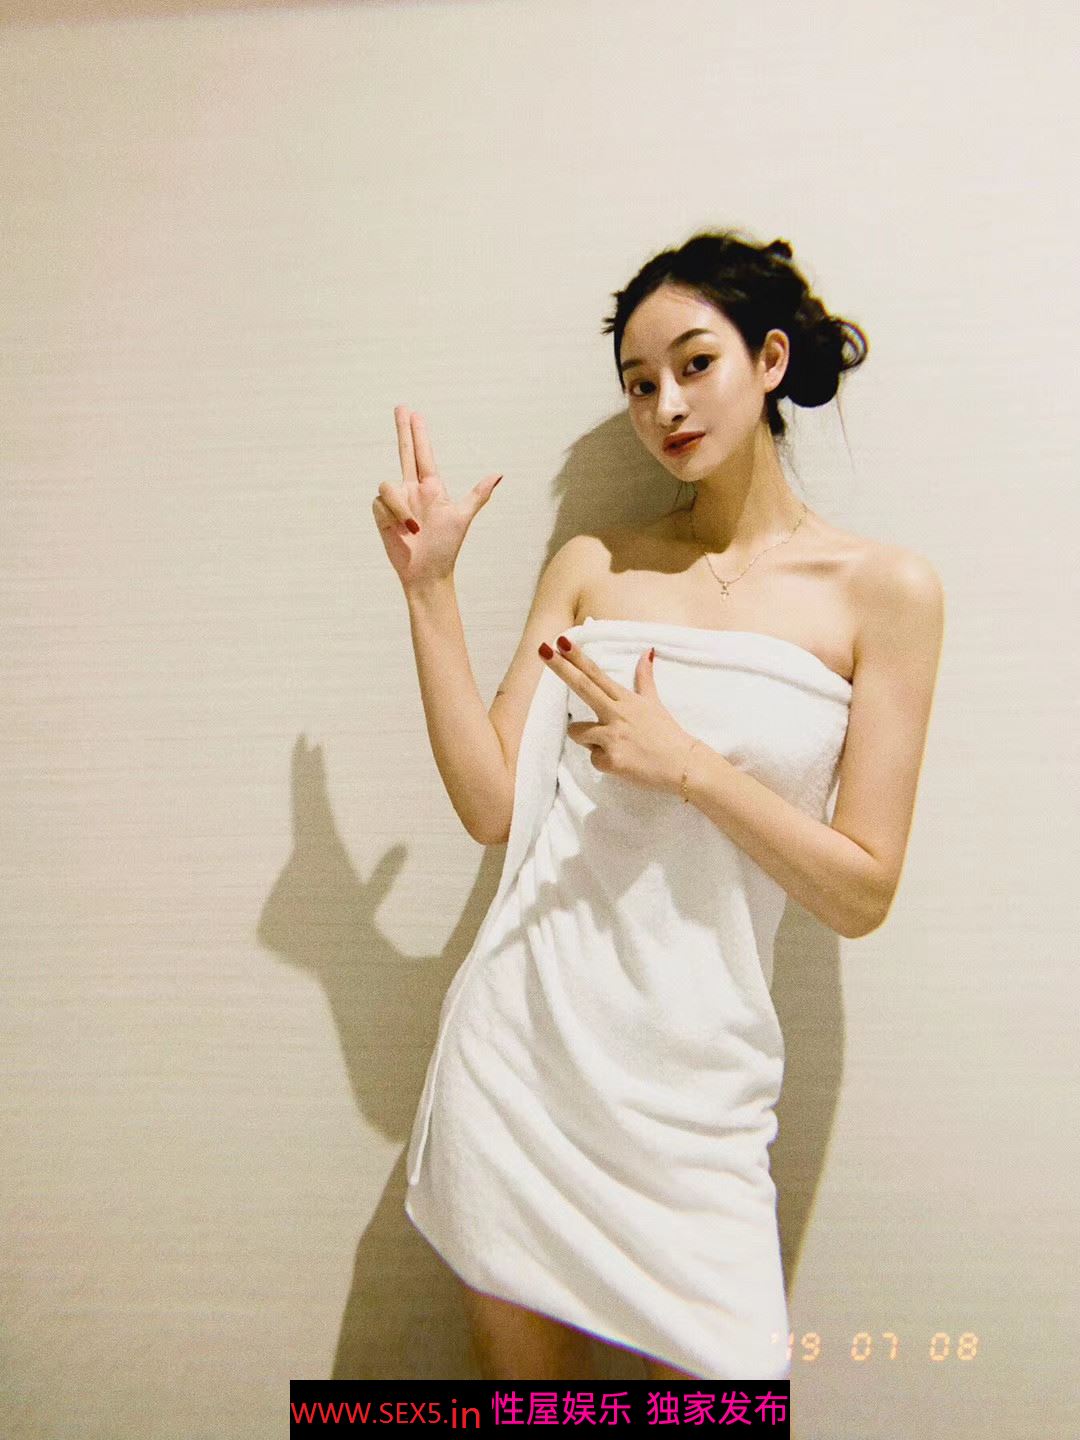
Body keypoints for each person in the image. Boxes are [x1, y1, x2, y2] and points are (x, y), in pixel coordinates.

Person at [371, 229, 945, 1381]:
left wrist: (691, 766)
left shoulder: (886, 592)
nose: (665, 405)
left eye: (695, 364)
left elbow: (863, 892)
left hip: (703, 1090)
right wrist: (430, 593)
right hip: (526, 1057)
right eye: (639, 384)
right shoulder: (596, 562)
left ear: (769, 360)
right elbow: (492, 807)